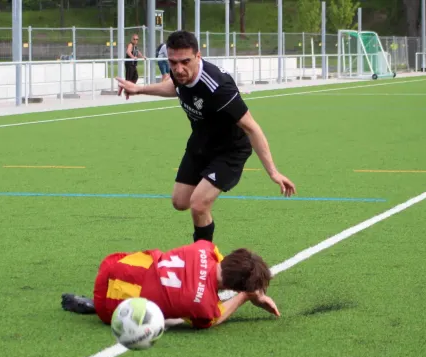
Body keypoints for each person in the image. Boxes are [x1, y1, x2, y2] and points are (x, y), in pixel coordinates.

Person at [116, 30, 296, 244]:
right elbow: (174, 86)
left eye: (185, 62)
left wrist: (273, 172)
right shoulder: (178, 72)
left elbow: (252, 128)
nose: (178, 69)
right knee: (180, 202)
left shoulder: (219, 86)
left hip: (230, 149)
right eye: (173, 62)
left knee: (199, 205)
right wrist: (140, 89)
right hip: (201, 141)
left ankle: (204, 262)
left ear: (198, 56)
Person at [61, 240, 280, 329]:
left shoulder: (205, 247)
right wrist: (246, 297)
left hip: (113, 266)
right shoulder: (204, 306)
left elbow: (217, 262)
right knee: (174, 316)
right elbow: (215, 319)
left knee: (154, 263)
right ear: (238, 287)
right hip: (111, 309)